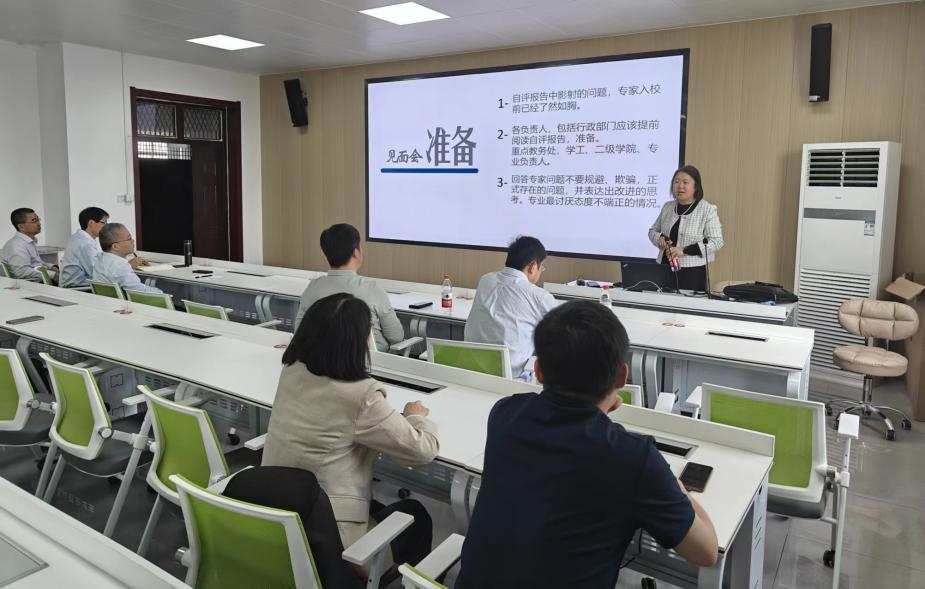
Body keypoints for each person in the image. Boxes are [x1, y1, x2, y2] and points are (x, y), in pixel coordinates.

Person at [456, 300, 719, 588]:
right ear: (622, 376)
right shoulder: (633, 458)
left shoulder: (505, 413)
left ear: (539, 371)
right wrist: (673, 482)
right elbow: (706, 551)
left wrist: (599, 415)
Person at [263, 293, 439, 579]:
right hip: (329, 537)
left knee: (382, 508)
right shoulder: (361, 395)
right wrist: (416, 416)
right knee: (415, 514)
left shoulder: (292, 371)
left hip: (278, 514)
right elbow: (422, 450)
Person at [294, 223, 404, 352]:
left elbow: (298, 332)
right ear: (356, 253)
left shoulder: (313, 287)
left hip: (323, 360)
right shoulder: (372, 289)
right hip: (369, 361)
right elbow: (396, 337)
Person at [464, 235, 559, 379]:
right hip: (510, 379)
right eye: (541, 268)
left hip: (471, 372)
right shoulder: (539, 296)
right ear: (533, 266)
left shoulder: (485, 280)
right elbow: (564, 329)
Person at [647, 165, 724, 292]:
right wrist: (659, 238)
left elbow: (717, 241)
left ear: (696, 186)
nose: (680, 186)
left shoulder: (707, 209)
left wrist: (684, 250)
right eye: (676, 182)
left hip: (692, 273)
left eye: (685, 182)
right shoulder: (668, 207)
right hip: (664, 269)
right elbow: (652, 231)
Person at [61, 207, 150, 288]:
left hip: (80, 284)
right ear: (91, 223)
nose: (106, 226)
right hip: (77, 288)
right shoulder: (85, 243)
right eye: (104, 222)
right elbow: (98, 273)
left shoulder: (79, 237)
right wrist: (128, 265)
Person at [91, 223, 162, 294]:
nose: (133, 241)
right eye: (129, 238)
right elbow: (139, 291)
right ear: (115, 246)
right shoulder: (120, 266)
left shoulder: (100, 259)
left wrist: (129, 266)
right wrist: (164, 293)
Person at [2, 208, 58, 282]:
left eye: (38, 219)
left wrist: (51, 267)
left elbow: (36, 263)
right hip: (33, 284)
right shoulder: (17, 245)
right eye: (34, 221)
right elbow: (21, 272)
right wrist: (53, 275)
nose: (39, 223)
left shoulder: (28, 241)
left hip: (41, 281)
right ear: (21, 226)